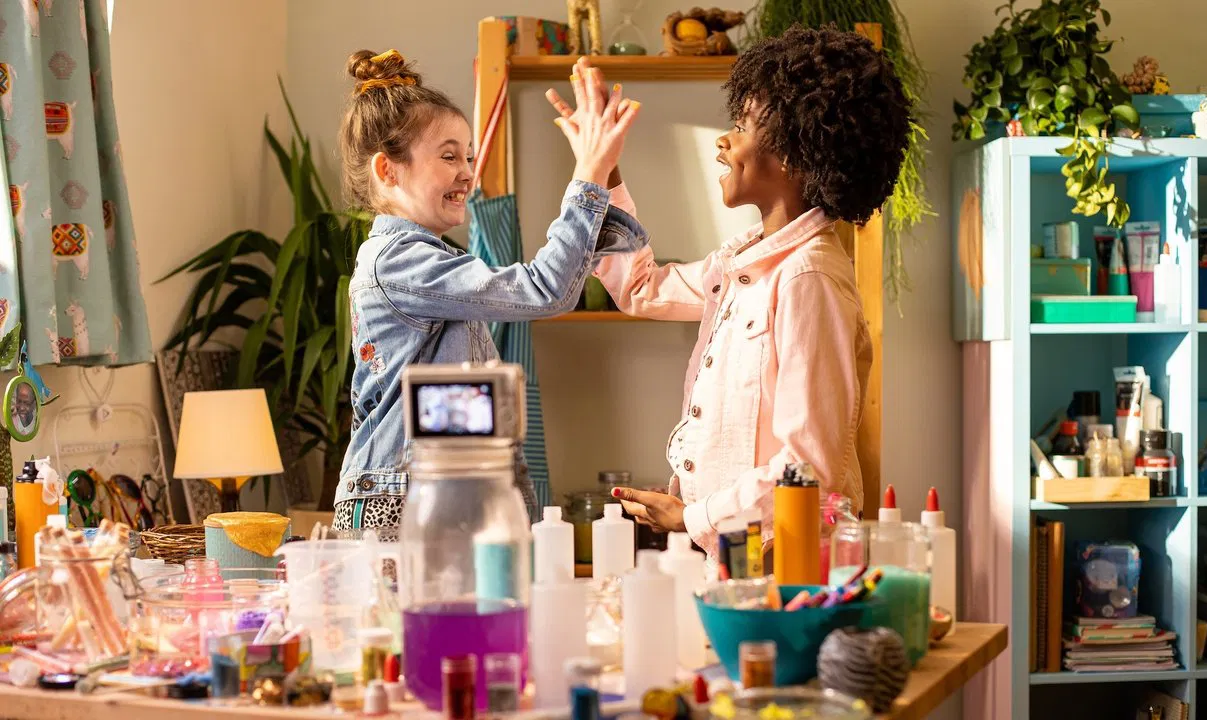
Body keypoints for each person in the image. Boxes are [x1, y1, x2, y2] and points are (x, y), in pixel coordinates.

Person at [559, 26, 910, 567]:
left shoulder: (807, 278)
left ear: (793, 153)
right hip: (740, 557)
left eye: (743, 126)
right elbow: (640, 288)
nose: (724, 140)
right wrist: (600, 166)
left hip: (785, 567)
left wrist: (692, 517)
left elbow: (808, 468)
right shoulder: (743, 266)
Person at [334, 49, 645, 534]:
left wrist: (603, 168)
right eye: (449, 156)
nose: (467, 171)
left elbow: (569, 273)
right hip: (397, 503)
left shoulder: (430, 262)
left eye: (469, 157)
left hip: (427, 492)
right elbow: (546, 289)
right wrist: (588, 172)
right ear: (388, 170)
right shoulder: (399, 263)